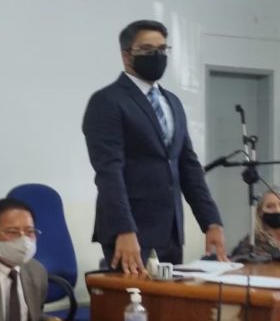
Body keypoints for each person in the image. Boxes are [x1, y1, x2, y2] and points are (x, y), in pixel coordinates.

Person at [83, 19, 225, 273]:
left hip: (170, 230)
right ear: (126, 55)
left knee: (169, 298)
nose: (157, 56)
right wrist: (124, 229)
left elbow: (189, 167)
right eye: (147, 50)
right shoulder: (107, 101)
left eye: (162, 49)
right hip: (129, 233)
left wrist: (211, 222)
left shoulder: (173, 102)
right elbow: (109, 171)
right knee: (133, 299)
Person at [231, 191, 280, 260]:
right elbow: (242, 259)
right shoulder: (251, 242)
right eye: (269, 206)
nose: (277, 210)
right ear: (260, 212)